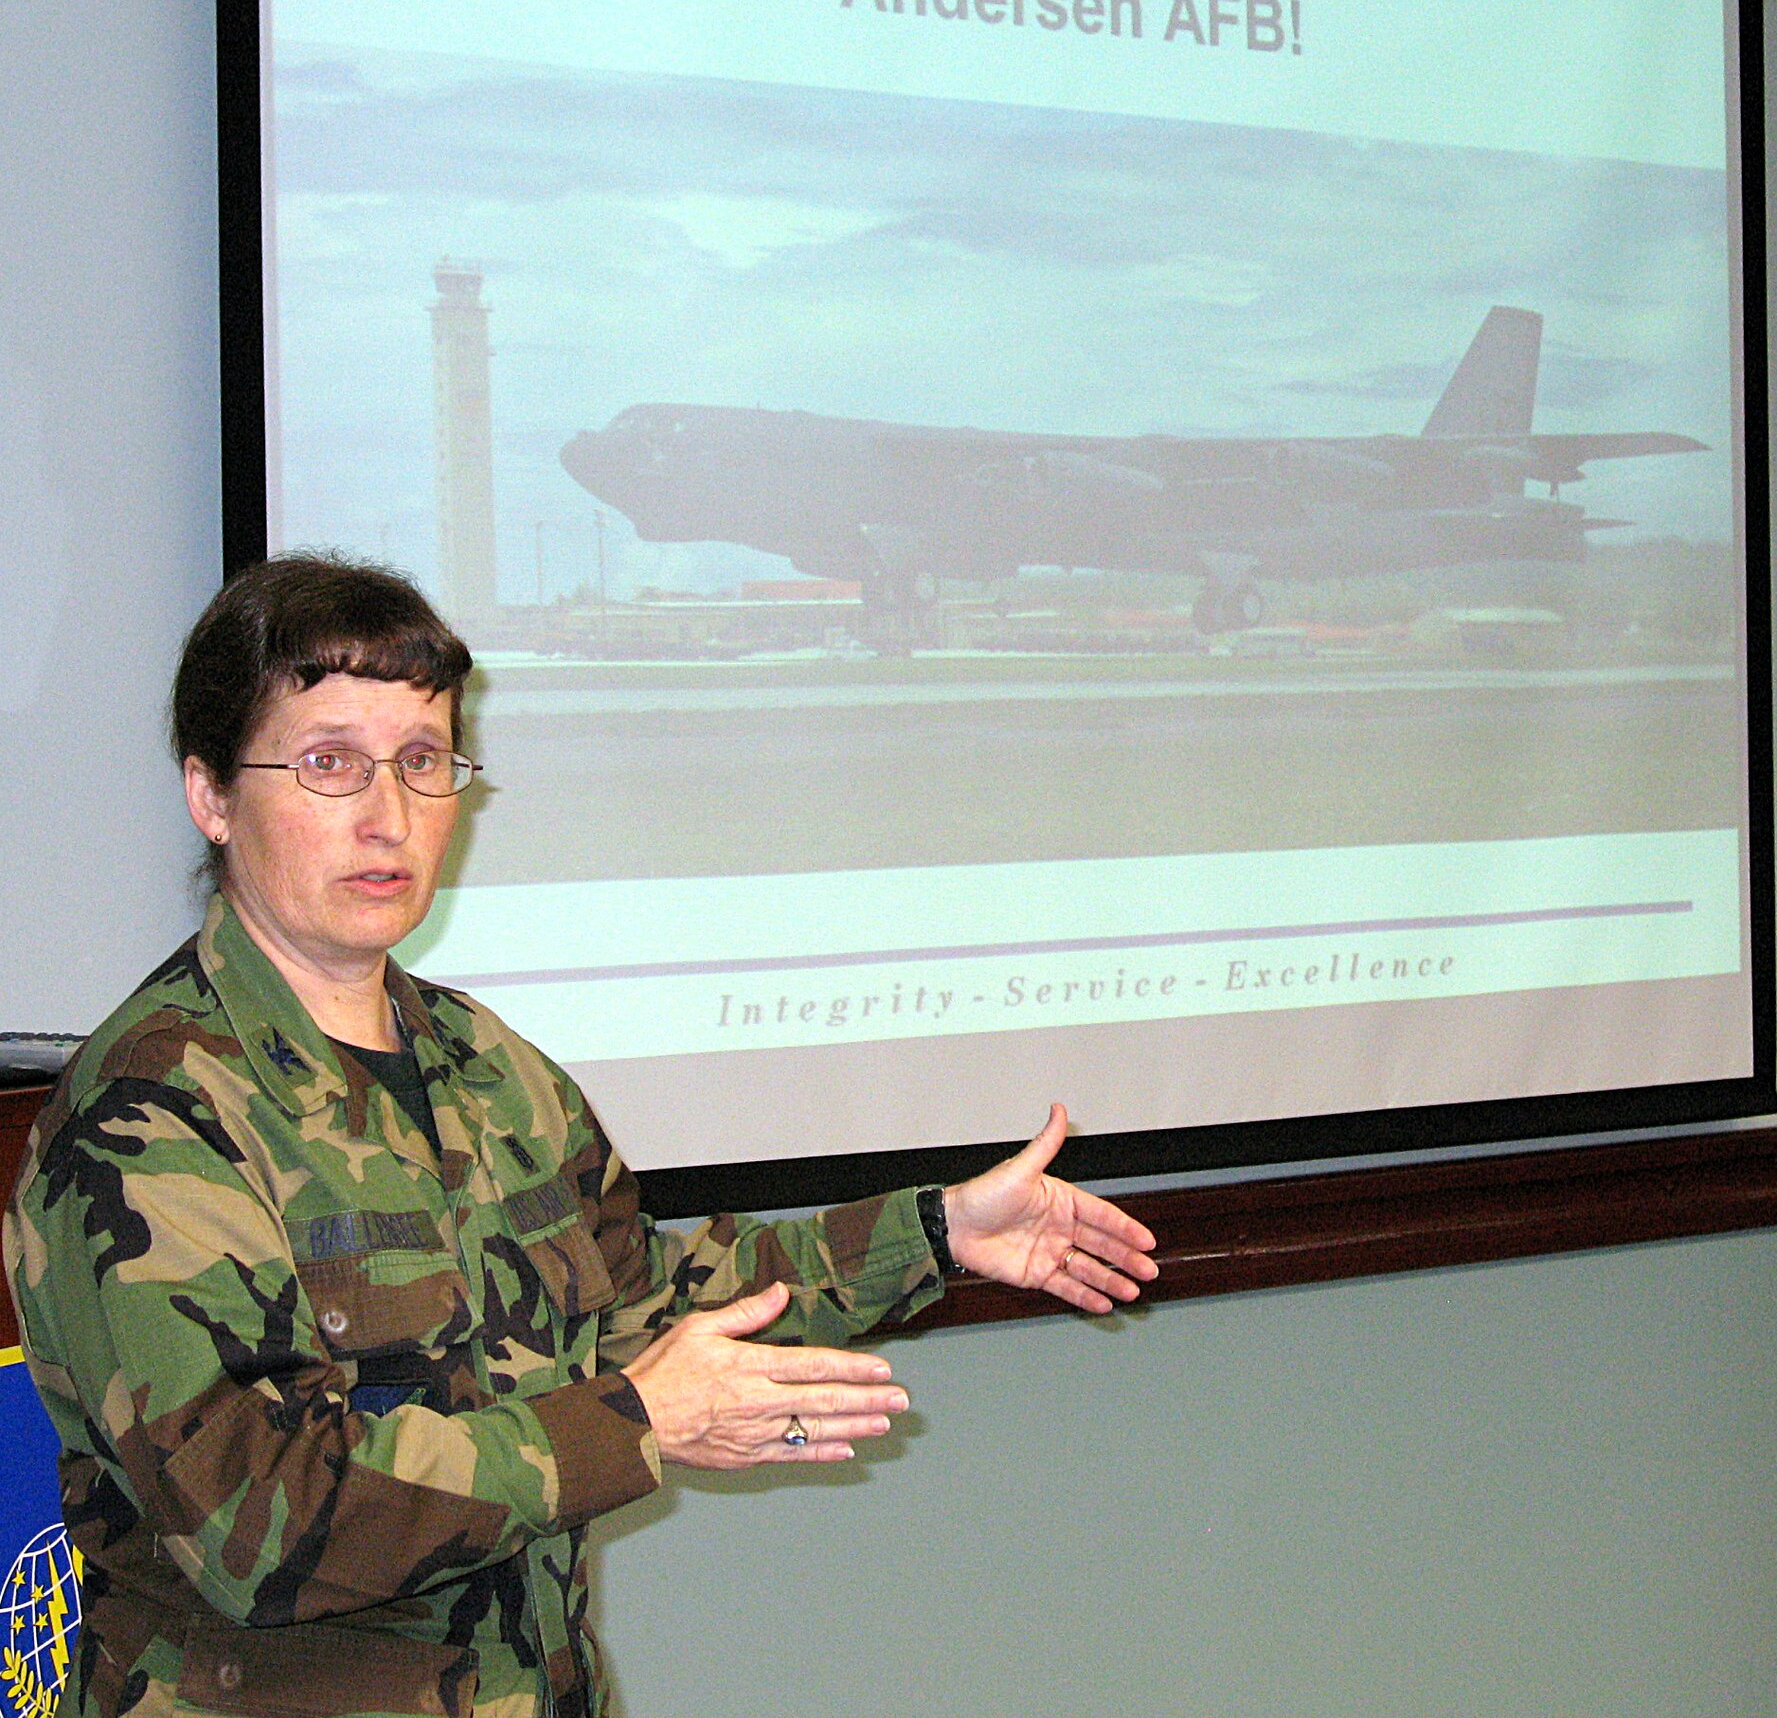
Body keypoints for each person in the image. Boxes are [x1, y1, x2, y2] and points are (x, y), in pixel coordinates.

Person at [3, 554, 1157, 1718]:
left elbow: (646, 1300)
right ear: (210, 793)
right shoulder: (150, 1116)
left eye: (421, 760)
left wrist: (940, 1229)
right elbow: (259, 1522)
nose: (388, 813)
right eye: (329, 761)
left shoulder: (490, 1067)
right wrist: (634, 1419)